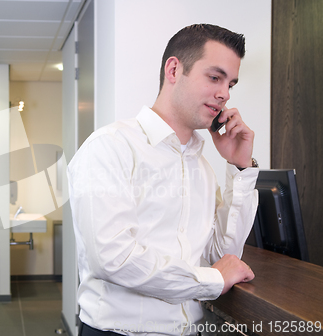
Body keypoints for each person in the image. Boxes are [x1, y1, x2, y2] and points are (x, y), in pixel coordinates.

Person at [68, 24, 259, 336]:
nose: (224, 93)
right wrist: (212, 280)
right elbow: (113, 259)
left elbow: (220, 257)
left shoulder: (202, 168)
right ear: (174, 69)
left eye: (230, 84)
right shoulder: (110, 146)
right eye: (215, 77)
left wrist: (239, 168)